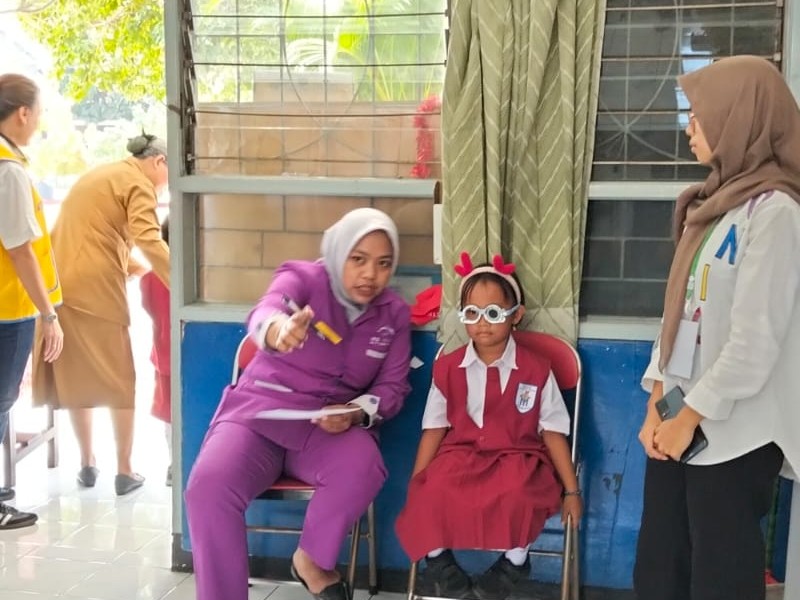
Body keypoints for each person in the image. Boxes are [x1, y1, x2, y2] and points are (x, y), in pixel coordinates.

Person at [635, 55, 800, 600]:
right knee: (660, 568)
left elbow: (755, 343)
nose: (689, 128)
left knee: (719, 576)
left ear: (739, 120)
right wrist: (657, 404)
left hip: (735, 432)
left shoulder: (776, 214)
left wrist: (689, 417)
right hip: (678, 419)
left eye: (700, 115)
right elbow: (680, 315)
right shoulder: (711, 206)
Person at [185, 207, 412, 600]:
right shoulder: (304, 278)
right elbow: (267, 308)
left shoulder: (393, 314)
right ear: (338, 252)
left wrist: (356, 412)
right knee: (209, 487)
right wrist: (276, 330)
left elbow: (393, 387)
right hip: (260, 415)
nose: (370, 275)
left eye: (383, 263)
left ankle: (310, 561)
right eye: (358, 259)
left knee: (363, 466)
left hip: (327, 427)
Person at [395, 253, 582, 600]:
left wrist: (572, 491)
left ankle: (514, 562)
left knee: (522, 493)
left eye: (493, 313)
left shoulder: (537, 369)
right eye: (472, 313)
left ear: (516, 316)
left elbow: (553, 432)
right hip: (462, 455)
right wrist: (417, 482)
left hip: (519, 455)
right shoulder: (448, 368)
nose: (482, 323)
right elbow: (434, 429)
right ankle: (440, 562)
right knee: (432, 491)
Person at [32, 133, 170, 496]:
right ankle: (124, 470)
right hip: (95, 290)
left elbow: (98, 236)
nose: (165, 185)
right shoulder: (139, 184)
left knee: (79, 376)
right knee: (119, 377)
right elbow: (149, 238)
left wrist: (137, 269)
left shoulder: (103, 174)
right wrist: (179, 283)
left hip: (59, 287)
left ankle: (87, 463)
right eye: (168, 175)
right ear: (159, 162)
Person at [0, 73, 64, 528]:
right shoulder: (9, 171)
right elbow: (21, 249)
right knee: (1, 402)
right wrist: (49, 313)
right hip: (8, 309)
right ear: (22, 113)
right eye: (38, 113)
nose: (38, 122)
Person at [140, 216, 172, 486]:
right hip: (184, 356)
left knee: (170, 416)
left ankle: (174, 464)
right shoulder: (194, 278)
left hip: (163, 353)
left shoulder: (150, 278)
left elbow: (148, 308)